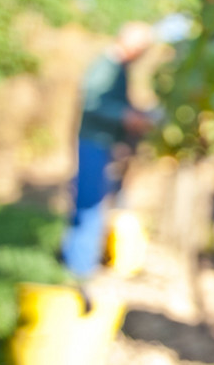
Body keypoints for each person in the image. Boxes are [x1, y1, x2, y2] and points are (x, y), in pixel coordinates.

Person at [60, 21, 155, 280]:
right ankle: (79, 269)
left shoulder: (118, 68)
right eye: (143, 48)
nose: (144, 53)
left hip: (102, 142)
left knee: (95, 202)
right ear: (132, 44)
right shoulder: (107, 66)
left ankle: (80, 263)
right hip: (94, 142)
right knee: (90, 204)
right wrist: (127, 116)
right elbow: (93, 102)